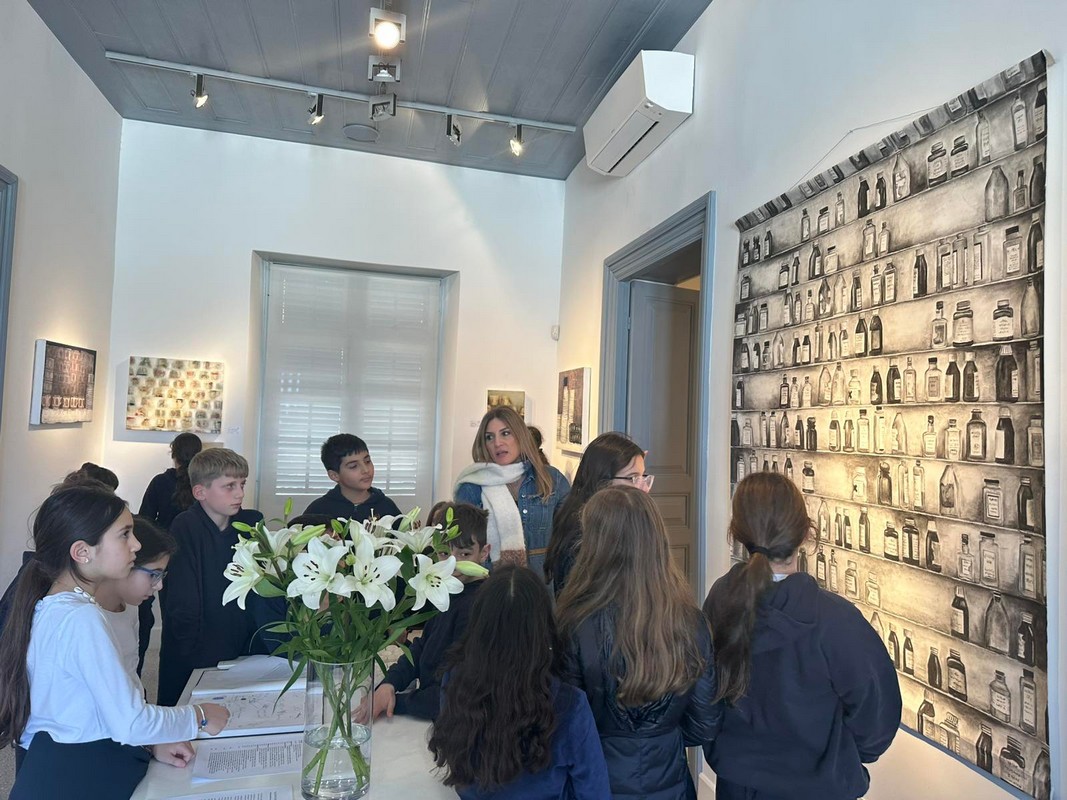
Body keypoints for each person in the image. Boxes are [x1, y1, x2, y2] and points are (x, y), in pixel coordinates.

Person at [0, 486, 228, 800]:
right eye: (124, 535)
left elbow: (94, 711)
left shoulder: (57, 607)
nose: (136, 544)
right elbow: (130, 722)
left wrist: (152, 742)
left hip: (70, 767)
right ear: (82, 552)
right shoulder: (81, 617)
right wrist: (199, 716)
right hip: (76, 776)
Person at [702, 472, 901, 800]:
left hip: (738, 786)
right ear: (807, 532)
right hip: (818, 788)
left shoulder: (720, 599)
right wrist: (838, 755)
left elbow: (706, 691)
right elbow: (877, 717)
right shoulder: (835, 620)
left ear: (736, 532)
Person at [557, 486, 720, 800]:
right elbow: (704, 724)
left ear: (593, 545)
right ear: (657, 541)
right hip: (671, 781)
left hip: (596, 783)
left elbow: (567, 725)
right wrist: (659, 737)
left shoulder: (573, 623)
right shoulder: (691, 622)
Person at [429, 565, 611, 799]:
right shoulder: (570, 706)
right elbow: (595, 792)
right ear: (543, 628)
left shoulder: (455, 683)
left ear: (479, 626)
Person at [157, 448, 265, 705]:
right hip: (197, 645)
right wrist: (192, 651)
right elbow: (183, 599)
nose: (240, 493)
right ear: (200, 492)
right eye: (229, 486)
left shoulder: (251, 523)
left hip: (244, 639)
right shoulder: (185, 526)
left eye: (242, 484)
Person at [365, 503, 490, 721]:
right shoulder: (444, 589)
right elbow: (423, 646)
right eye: (443, 553)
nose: (452, 564)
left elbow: (457, 695)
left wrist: (399, 702)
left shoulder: (479, 607)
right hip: (428, 707)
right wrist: (390, 684)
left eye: (464, 554)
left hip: (448, 720)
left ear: (484, 553)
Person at [454, 407, 570, 575]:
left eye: (505, 433)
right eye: (489, 437)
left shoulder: (552, 479)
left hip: (540, 585)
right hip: (489, 585)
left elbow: (568, 540)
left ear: (520, 436)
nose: (497, 443)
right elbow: (463, 549)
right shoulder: (471, 487)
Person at [543, 432, 648, 596]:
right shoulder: (581, 534)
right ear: (603, 481)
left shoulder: (620, 521)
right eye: (632, 478)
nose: (644, 488)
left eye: (643, 477)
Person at [95, 517, 178, 677]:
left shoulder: (131, 608)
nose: (159, 586)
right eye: (154, 574)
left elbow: (131, 673)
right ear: (126, 563)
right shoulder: (85, 618)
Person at [303, 434, 402, 521]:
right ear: (334, 475)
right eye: (353, 466)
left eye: (367, 461)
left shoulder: (387, 506)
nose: (365, 470)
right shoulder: (318, 510)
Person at [139, 432, 202, 529]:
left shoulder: (160, 481)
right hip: (197, 537)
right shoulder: (205, 482)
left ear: (173, 455)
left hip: (165, 537)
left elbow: (145, 519)